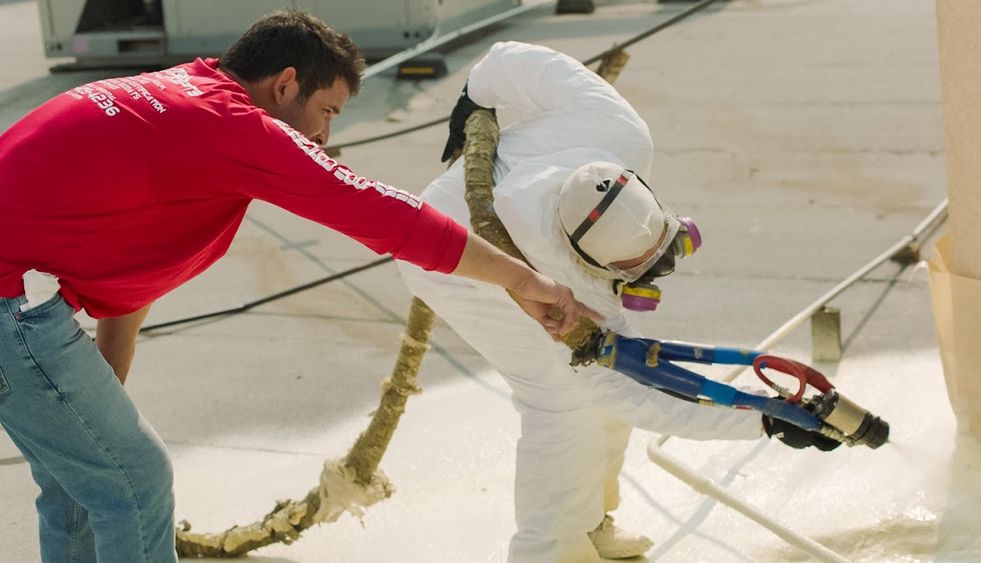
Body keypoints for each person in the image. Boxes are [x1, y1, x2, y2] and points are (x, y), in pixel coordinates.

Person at [0, 12, 597, 563]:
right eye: (330, 110)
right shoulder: (234, 127)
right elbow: (386, 214)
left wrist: (100, 400)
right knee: (136, 480)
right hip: (12, 306)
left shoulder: (175, 95)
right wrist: (525, 280)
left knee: (85, 481)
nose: (324, 133)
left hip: (19, 298)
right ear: (285, 85)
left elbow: (131, 279)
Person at [398, 41, 840, 562]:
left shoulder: (616, 133)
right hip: (446, 257)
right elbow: (635, 391)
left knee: (598, 385)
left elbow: (509, 58)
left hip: (507, 200)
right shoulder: (567, 286)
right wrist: (761, 419)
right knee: (562, 402)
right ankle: (551, 552)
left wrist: (476, 94)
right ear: (588, 265)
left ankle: (593, 525)